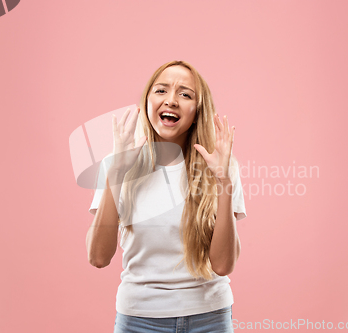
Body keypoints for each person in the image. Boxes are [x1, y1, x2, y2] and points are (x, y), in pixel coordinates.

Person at [86, 60, 247, 332]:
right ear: (147, 102)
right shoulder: (115, 165)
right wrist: (116, 175)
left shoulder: (221, 166)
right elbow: (98, 257)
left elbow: (222, 265)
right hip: (138, 319)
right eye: (161, 91)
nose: (171, 100)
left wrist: (223, 183)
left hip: (210, 318)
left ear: (196, 112)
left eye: (185, 94)